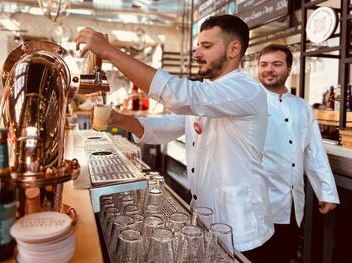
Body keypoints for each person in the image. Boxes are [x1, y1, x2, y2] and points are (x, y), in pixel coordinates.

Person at [76, 15, 274, 258]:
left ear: (234, 49)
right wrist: (119, 119)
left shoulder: (246, 89)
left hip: (242, 229)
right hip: (204, 218)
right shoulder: (210, 91)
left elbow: (181, 96)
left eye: (207, 46)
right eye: (198, 45)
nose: (197, 53)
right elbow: (169, 126)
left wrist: (111, 53)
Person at [257, 44, 340, 263]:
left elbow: (314, 151)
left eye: (276, 64)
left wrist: (326, 193)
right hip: (258, 204)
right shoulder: (250, 104)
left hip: (293, 205)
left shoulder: (302, 106)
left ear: (289, 68)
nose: (269, 69)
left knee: (285, 254)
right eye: (263, 64)